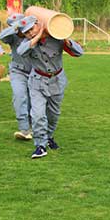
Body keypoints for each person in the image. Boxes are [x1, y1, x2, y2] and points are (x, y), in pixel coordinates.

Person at [17, 15, 84, 159]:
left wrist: (65, 38)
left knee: (53, 114)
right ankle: (40, 145)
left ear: (38, 24)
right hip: (37, 82)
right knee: (38, 114)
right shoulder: (27, 42)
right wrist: (37, 36)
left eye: (32, 29)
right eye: (26, 32)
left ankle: (49, 136)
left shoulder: (56, 38)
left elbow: (79, 52)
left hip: (56, 80)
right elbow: (21, 52)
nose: (30, 33)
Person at [0, 13, 33, 141]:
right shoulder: (12, 36)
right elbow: (1, 36)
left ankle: (33, 126)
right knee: (19, 97)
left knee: (32, 100)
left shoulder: (32, 34)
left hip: (35, 72)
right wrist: (15, 27)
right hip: (18, 71)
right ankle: (24, 129)